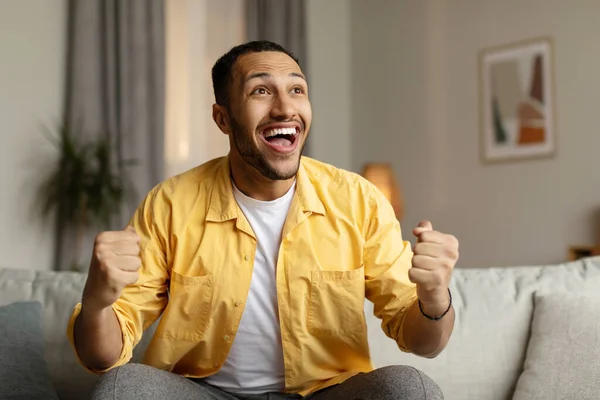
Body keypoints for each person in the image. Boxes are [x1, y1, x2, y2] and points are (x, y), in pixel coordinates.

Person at [67, 40, 459, 400]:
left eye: (296, 89)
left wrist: (434, 297)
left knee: (410, 388)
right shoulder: (170, 203)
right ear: (223, 118)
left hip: (322, 394)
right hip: (203, 393)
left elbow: (426, 343)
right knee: (122, 387)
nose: (285, 108)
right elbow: (101, 356)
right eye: (260, 90)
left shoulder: (358, 201)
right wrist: (98, 304)